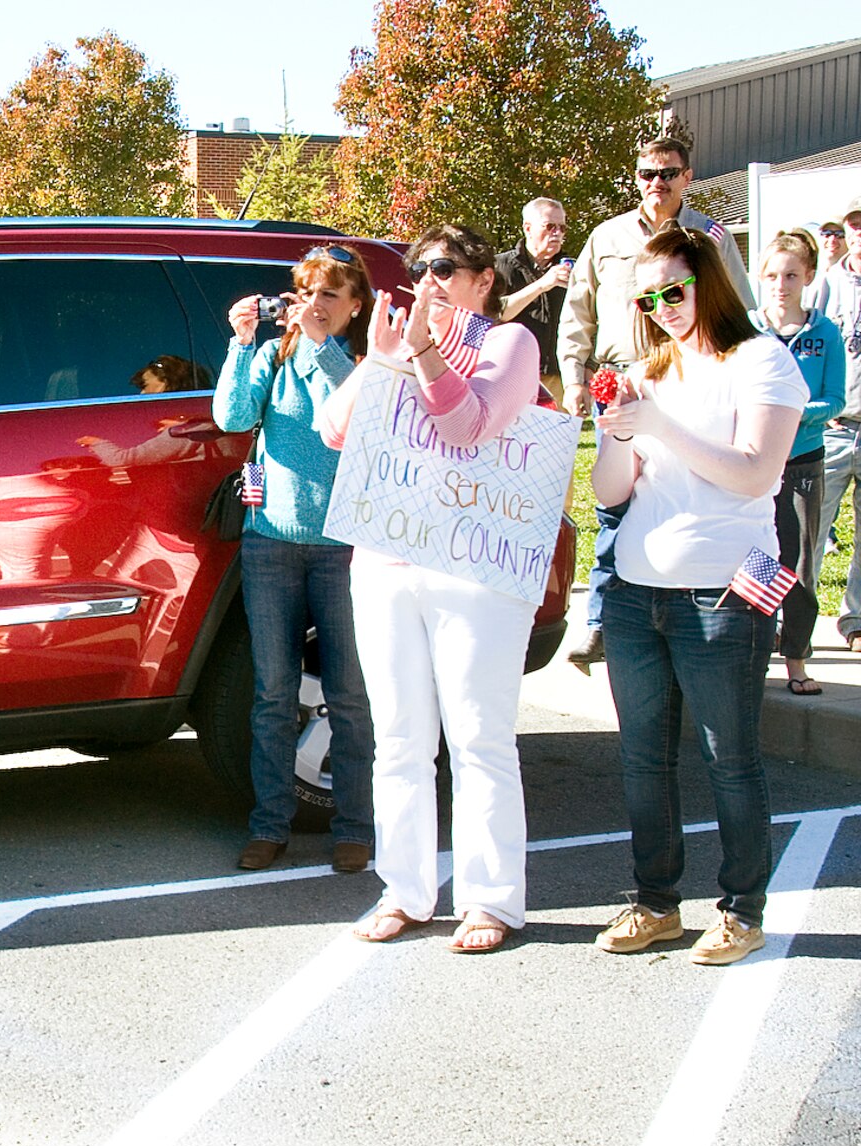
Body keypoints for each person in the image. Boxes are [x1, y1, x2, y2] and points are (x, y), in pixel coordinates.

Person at [323, 225, 545, 954]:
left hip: (473, 568)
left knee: (479, 737)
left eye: (447, 267)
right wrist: (382, 361)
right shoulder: (398, 340)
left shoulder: (507, 345)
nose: (431, 278)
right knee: (399, 741)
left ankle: (491, 900)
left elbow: (469, 426)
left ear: (484, 279)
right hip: (387, 562)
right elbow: (333, 429)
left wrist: (420, 352)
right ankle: (406, 889)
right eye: (421, 267)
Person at [590, 225, 807, 966]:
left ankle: (742, 911)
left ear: (706, 280)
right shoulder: (650, 369)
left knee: (729, 758)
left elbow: (754, 473)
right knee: (643, 759)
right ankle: (656, 902)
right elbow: (609, 489)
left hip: (722, 594)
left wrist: (659, 424)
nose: (661, 307)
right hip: (636, 591)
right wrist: (621, 429)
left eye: (672, 291)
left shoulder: (760, 361)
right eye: (647, 298)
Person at [558, 132, 754, 668]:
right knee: (614, 501)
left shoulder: (708, 239)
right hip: (621, 380)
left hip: (693, 380)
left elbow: (739, 306)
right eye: (647, 173)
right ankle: (604, 620)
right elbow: (578, 312)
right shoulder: (607, 236)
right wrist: (575, 377)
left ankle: (694, 614)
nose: (657, 182)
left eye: (668, 172)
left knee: (684, 487)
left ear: (687, 177)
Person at [213, 245, 376, 874]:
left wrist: (317, 345)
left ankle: (355, 826)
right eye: (307, 292)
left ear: (354, 306)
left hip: (344, 548)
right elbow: (230, 416)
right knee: (273, 691)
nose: (314, 305)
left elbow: (356, 410)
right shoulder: (270, 356)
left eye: (330, 294)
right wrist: (241, 342)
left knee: (351, 694)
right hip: (272, 543)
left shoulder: (363, 360)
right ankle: (269, 824)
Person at [750, 231, 844, 693]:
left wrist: (790, 413)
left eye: (790, 275)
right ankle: (753, 653)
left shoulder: (824, 333)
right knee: (758, 557)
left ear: (808, 276)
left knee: (801, 562)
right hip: (753, 461)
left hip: (804, 463)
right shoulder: (747, 330)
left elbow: (835, 399)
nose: (781, 284)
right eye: (772, 275)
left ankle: (796, 660)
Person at [811, 196, 861, 652]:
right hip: (834, 426)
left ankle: (857, 620)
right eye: (855, 223)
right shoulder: (828, 282)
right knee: (808, 531)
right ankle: (792, 623)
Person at [497, 197, 571, 398]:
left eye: (562, 228)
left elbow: (588, 318)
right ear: (528, 228)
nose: (557, 233)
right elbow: (496, 313)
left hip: (559, 377)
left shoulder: (573, 268)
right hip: (510, 375)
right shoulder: (500, 266)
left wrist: (587, 368)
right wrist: (542, 285)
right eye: (549, 226)